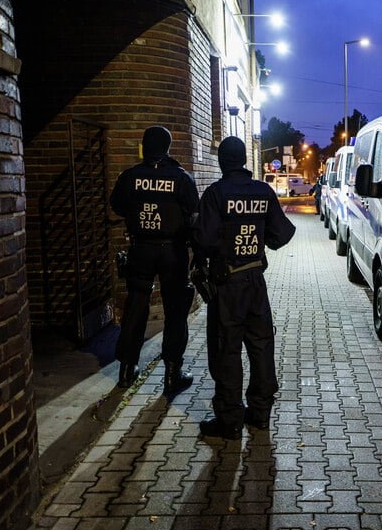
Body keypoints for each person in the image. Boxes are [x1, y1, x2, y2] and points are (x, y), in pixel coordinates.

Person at [192, 136, 296, 440]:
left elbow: (204, 240)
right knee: (261, 345)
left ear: (223, 161)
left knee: (227, 349)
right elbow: (282, 235)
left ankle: (230, 420)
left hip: (227, 285)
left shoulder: (215, 194)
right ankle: (260, 414)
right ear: (244, 161)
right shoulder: (262, 191)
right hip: (255, 282)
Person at [110, 125, 200, 394]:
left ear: (144, 147)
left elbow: (117, 206)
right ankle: (172, 374)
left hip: (141, 248)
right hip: (173, 251)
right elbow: (193, 213)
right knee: (175, 310)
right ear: (168, 148)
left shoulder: (131, 176)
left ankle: (127, 370)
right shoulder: (181, 178)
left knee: (136, 306)